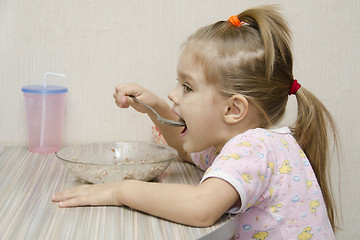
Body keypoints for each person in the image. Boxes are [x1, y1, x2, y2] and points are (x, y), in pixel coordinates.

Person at [52, 5, 340, 239]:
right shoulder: (237, 145)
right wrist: (157, 107)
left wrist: (119, 191)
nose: (173, 93)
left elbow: (200, 208)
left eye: (187, 87)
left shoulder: (253, 147)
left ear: (233, 109)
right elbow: (185, 149)